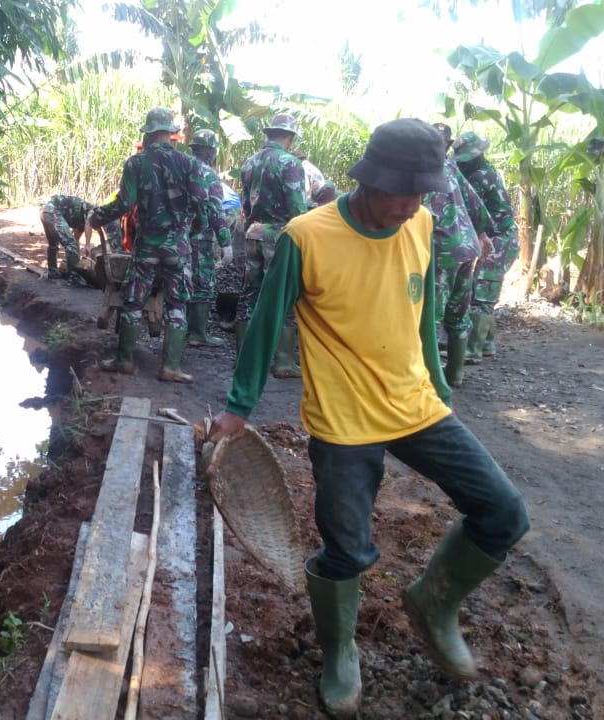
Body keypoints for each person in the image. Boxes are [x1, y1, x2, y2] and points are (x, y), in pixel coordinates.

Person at [208, 118, 530, 719]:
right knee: (347, 551)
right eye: (403, 194)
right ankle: (339, 653)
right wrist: (236, 407)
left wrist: (439, 388)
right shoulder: (306, 236)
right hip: (343, 421)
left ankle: (433, 603)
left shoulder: (423, 225)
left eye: (421, 195)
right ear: (371, 180)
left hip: (417, 408)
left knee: (504, 513)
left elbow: (423, 314)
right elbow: (263, 322)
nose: (412, 207)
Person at [89, 108, 211, 383]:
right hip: (178, 249)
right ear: (171, 132)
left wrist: (96, 216)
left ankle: (124, 360)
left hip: (146, 247)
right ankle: (170, 367)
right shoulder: (189, 164)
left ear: (148, 132)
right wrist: (194, 231)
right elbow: (202, 204)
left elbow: (123, 204)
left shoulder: (136, 163)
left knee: (133, 303)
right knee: (177, 305)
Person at [237, 113, 326, 378]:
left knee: (249, 296)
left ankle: (244, 358)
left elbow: (244, 204)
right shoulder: (290, 163)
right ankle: (283, 361)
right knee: (285, 296)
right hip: (280, 236)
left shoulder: (249, 163)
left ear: (270, 133)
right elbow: (297, 209)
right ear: (289, 137)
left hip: (253, 232)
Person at [424, 123, 496, 387]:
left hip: (442, 248)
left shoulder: (421, 170)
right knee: (458, 309)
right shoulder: (450, 168)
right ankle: (455, 374)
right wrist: (482, 234)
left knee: (432, 313)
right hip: (465, 246)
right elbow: (475, 203)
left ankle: (430, 379)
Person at [453, 131, 520, 362]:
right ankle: (488, 343)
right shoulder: (483, 172)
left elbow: (470, 210)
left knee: (482, 292)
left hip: (500, 238)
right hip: (499, 237)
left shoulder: (480, 177)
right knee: (484, 288)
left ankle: (472, 349)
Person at [185, 129, 235, 347]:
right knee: (204, 283)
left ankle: (182, 329)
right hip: (200, 237)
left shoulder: (181, 166)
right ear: (212, 151)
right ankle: (198, 333)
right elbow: (216, 211)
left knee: (182, 280)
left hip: (175, 235)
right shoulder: (209, 175)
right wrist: (226, 243)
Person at [39, 194, 123, 280]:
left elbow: (76, 240)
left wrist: (77, 262)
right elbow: (88, 224)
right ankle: (74, 277)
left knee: (53, 244)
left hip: (45, 212)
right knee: (70, 244)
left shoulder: (80, 219)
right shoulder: (93, 210)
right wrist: (87, 245)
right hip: (53, 211)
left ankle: (53, 272)